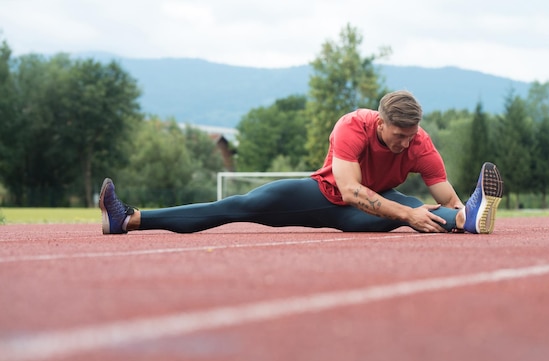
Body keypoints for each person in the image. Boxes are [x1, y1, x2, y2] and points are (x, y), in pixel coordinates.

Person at [99, 90, 503, 235]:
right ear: (381, 122)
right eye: (398, 135)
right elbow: (349, 191)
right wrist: (406, 213)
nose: (404, 143)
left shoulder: (420, 142)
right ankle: (128, 219)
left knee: (425, 211)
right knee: (236, 206)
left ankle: (472, 221)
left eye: (411, 136)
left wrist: (456, 213)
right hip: (324, 196)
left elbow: (443, 194)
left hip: (370, 210)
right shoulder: (353, 126)